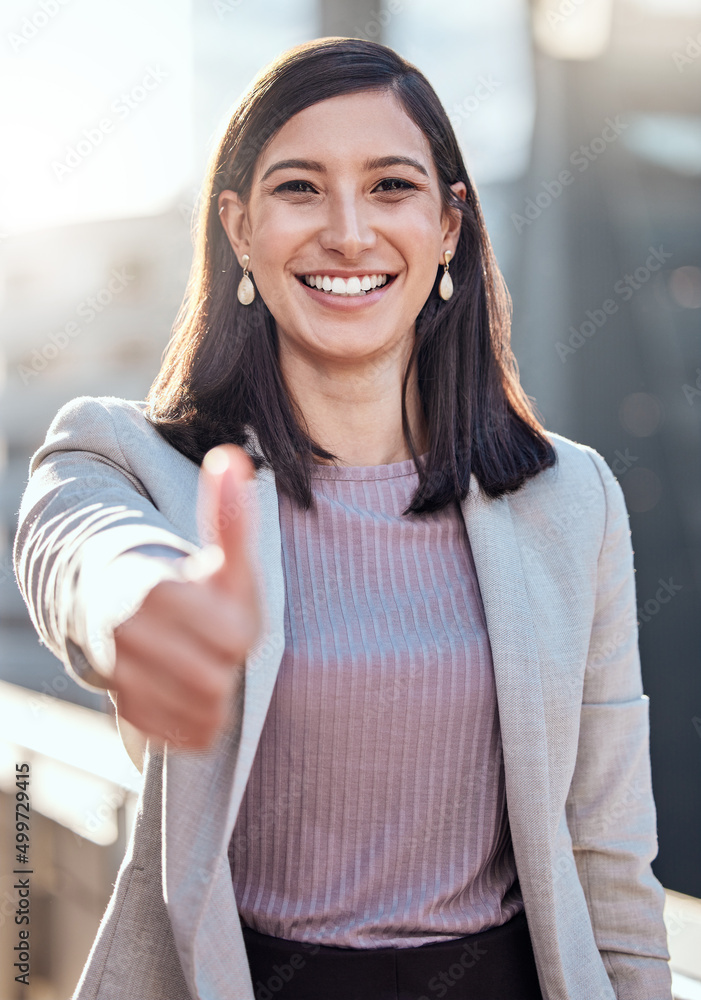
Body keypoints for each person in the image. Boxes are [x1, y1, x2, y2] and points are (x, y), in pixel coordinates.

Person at [13, 36, 672, 1000]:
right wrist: (145, 605)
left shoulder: (571, 499)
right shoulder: (136, 458)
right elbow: (78, 552)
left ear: (450, 226)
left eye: (392, 186)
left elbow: (610, 860)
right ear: (239, 228)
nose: (350, 233)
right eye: (299, 189)